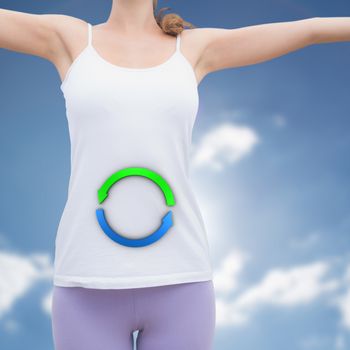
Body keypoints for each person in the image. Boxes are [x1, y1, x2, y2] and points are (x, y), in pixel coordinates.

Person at [1, 1, 349, 349]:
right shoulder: (70, 39)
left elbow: (311, 29)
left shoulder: (195, 48)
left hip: (182, 283)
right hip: (85, 285)